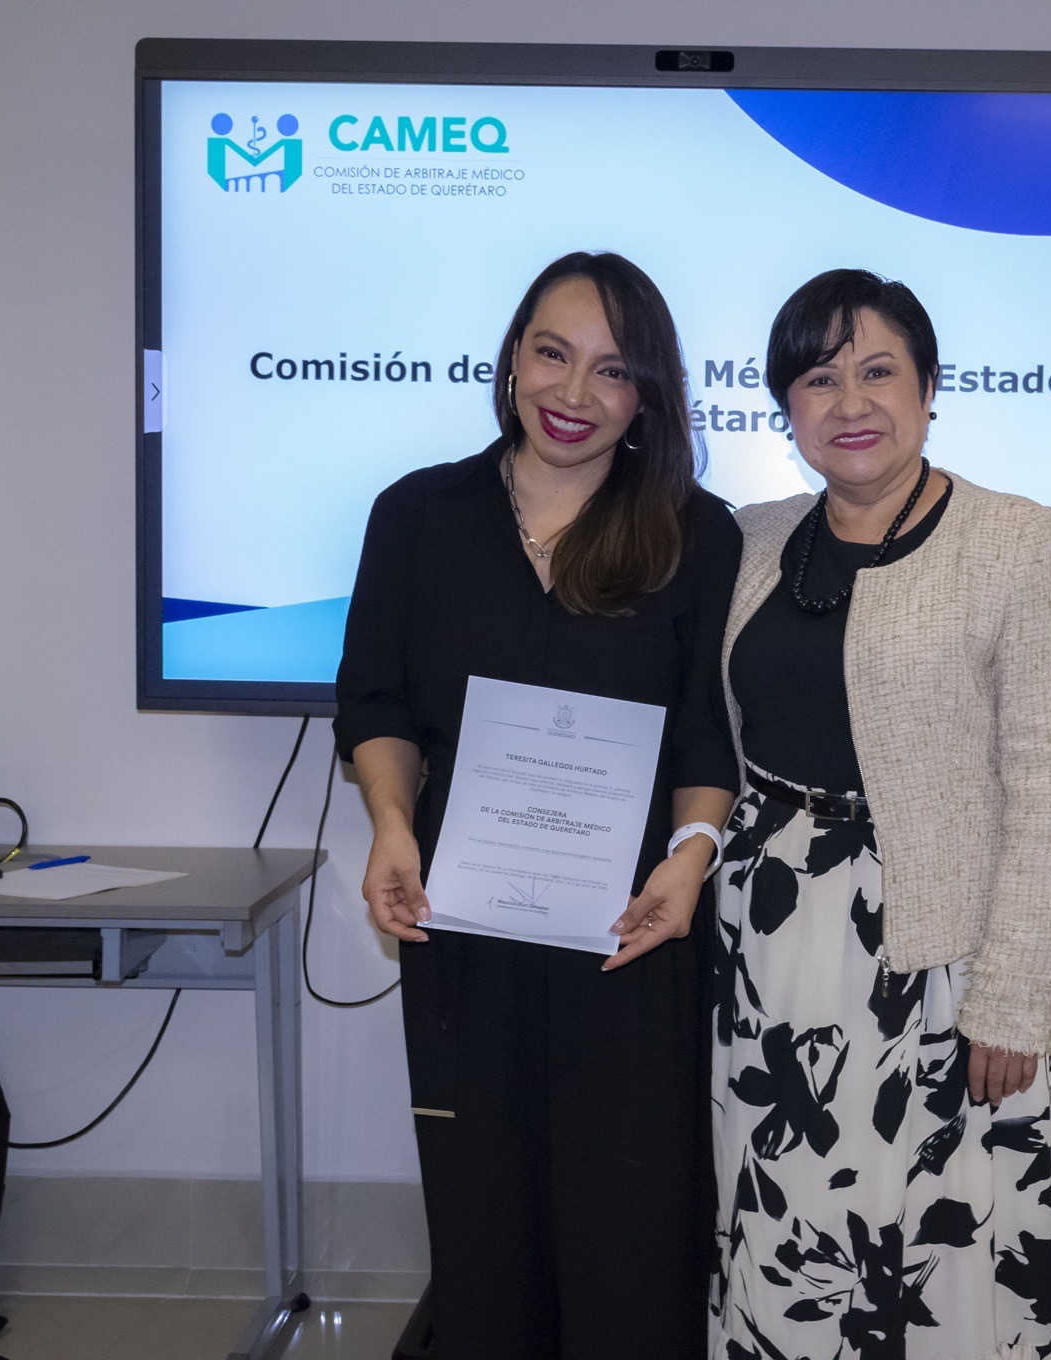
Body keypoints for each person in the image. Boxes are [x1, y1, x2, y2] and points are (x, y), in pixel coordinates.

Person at [335, 251, 741, 1360]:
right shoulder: (419, 514)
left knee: (632, 1225)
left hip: (632, 928)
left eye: (612, 370)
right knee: (485, 1215)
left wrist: (691, 858)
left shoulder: (697, 533)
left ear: (647, 393)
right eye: (553, 354)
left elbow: (707, 735)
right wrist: (391, 826)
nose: (574, 393)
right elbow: (377, 703)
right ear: (513, 356)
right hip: (463, 920)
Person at [711, 269, 1051, 1360]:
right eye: (819, 379)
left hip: (942, 961)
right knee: (794, 1221)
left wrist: (1015, 995)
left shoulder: (1015, 539)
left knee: (947, 1238)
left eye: (879, 372)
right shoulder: (751, 539)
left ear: (929, 389)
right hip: (772, 953)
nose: (851, 403)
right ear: (785, 408)